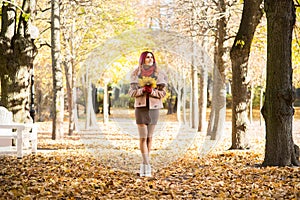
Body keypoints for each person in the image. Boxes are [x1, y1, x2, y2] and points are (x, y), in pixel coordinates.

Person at [128, 51, 167, 177]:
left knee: (150, 138)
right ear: (142, 59)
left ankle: (145, 166)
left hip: (154, 109)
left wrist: (152, 92)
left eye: (151, 57)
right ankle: (147, 165)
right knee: (143, 138)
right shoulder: (135, 74)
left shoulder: (159, 74)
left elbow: (163, 93)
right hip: (140, 108)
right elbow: (131, 93)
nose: (149, 59)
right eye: (147, 57)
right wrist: (142, 90)